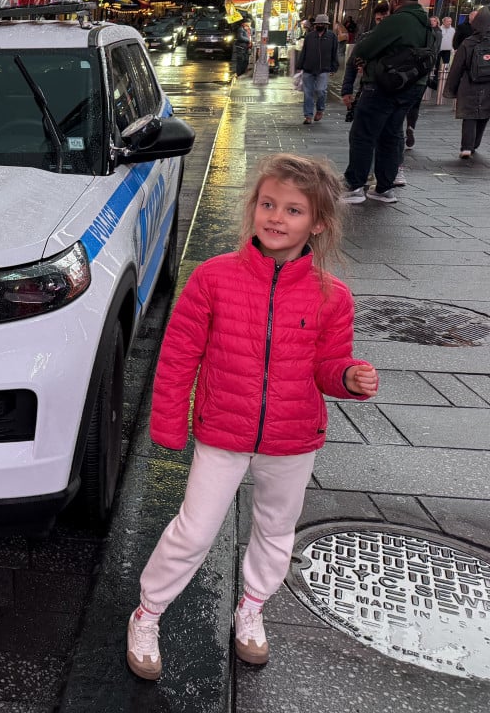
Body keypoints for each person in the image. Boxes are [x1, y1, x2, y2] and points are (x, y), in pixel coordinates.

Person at [126, 153, 379, 681]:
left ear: (319, 224)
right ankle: (147, 613)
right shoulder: (214, 279)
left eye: (292, 210)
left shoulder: (333, 296)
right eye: (268, 204)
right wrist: (169, 424)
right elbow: (178, 357)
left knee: (275, 531)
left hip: (292, 440)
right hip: (222, 433)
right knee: (194, 532)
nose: (276, 218)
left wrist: (348, 376)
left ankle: (252, 608)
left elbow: (328, 364)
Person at [340, 0, 430, 204]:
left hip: (383, 86)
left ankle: (354, 186)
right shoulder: (426, 24)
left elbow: (362, 49)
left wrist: (369, 63)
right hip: (411, 87)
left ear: (397, 1)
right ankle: (384, 188)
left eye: (391, 0)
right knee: (391, 135)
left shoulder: (398, 20)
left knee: (363, 134)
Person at [443, 6, 490, 159]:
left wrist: (451, 89)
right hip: (488, 85)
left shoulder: (468, 42)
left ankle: (466, 147)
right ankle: (475, 144)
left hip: (469, 83)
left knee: (469, 115)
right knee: (484, 114)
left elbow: (457, 67)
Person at [297, 15, 340, 125]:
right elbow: (304, 51)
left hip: (323, 69)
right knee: (308, 93)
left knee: (321, 90)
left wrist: (334, 67)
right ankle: (308, 115)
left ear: (326, 25)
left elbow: (335, 53)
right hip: (308, 68)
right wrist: (299, 65)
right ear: (315, 25)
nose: (320, 25)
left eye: (322, 24)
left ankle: (320, 109)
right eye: (318, 24)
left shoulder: (332, 37)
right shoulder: (309, 36)